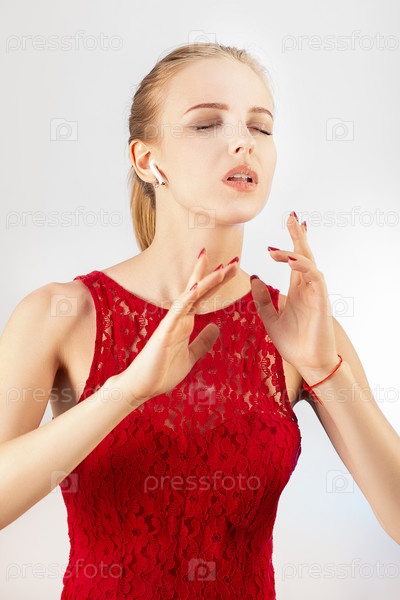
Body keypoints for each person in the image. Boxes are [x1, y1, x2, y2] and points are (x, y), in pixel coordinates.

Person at [0, 42, 399, 600]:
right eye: (207, 123)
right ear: (147, 160)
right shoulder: (59, 314)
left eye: (260, 127)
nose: (243, 142)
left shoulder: (303, 329)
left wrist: (324, 368)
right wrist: (128, 391)